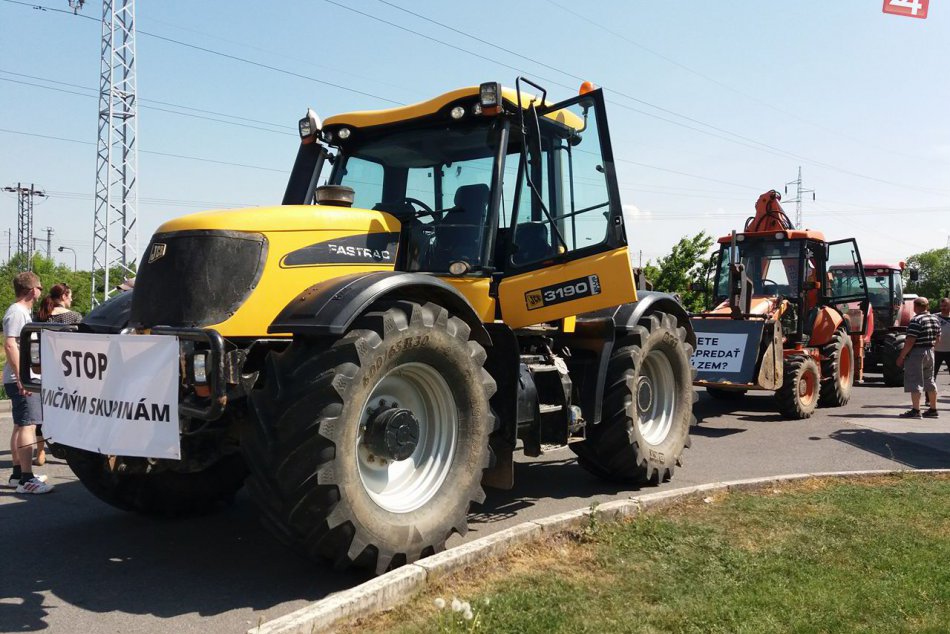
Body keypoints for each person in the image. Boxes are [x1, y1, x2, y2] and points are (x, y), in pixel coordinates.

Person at [2, 271, 53, 494]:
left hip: (21, 377)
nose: (42, 291)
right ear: (33, 290)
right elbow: (10, 345)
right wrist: (22, 376)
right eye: (40, 288)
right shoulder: (17, 313)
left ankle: (17, 474)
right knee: (28, 425)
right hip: (22, 379)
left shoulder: (20, 312)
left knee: (20, 424)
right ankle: (26, 479)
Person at [32, 283, 82, 465]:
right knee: (68, 411)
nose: (71, 299)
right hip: (68, 371)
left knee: (44, 414)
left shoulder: (40, 316)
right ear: (63, 297)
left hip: (46, 369)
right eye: (69, 296)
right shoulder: (74, 317)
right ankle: (70, 451)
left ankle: (40, 453)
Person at [896, 296, 941, 419]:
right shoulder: (935, 319)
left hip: (917, 353)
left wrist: (902, 356)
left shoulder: (916, 320)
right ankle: (933, 409)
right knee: (930, 380)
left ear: (916, 306)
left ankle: (916, 410)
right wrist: (931, 348)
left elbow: (910, 340)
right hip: (930, 351)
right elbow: (938, 338)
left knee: (915, 380)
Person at [935, 297, 950, 379]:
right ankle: (929, 392)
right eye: (941, 306)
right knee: (931, 377)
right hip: (936, 351)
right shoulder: (934, 317)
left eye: (945, 306)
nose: (943, 308)